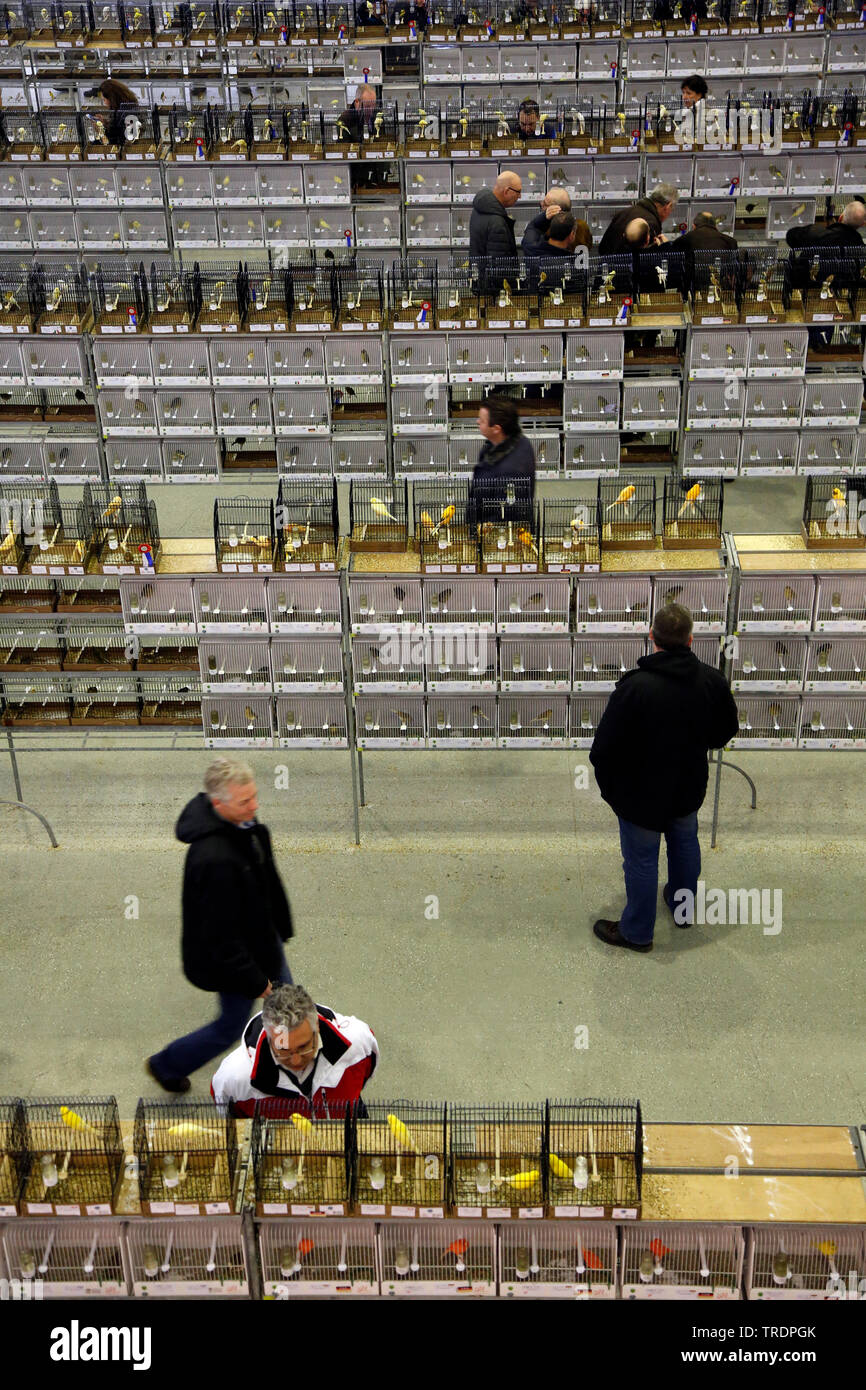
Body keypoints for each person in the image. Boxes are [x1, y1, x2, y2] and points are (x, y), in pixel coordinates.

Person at [589, 603, 739, 952]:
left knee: (642, 860)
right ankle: (683, 908)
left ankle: (637, 932)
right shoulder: (713, 681)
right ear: (690, 639)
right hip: (687, 788)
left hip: (640, 795)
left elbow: (603, 749)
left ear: (652, 637)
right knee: (685, 844)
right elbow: (723, 732)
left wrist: (613, 791)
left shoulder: (635, 687)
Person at [147, 758, 294, 1092]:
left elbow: (266, 879)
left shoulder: (244, 825)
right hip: (237, 961)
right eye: (245, 801)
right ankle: (166, 1064)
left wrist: (279, 927)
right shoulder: (212, 859)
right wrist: (255, 980)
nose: (254, 806)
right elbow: (220, 936)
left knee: (287, 1004)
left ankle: (294, 1060)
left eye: (255, 796)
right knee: (230, 1027)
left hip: (262, 939)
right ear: (218, 803)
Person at [211, 984, 378, 1117]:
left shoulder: (358, 1042)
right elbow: (231, 1115)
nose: (296, 1061)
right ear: (270, 1038)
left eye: (304, 1047)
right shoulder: (234, 1078)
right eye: (284, 1050)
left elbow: (365, 1073)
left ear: (317, 1028)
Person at [467, 396, 536, 526]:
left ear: (496, 429)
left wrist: (480, 530)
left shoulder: (512, 469)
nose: (477, 422)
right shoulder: (509, 441)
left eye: (482, 421)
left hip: (500, 534)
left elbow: (506, 513)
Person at [598, 185, 678, 255]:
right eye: (672, 209)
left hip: (606, 267)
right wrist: (665, 247)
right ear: (668, 206)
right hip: (626, 270)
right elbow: (648, 261)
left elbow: (602, 247)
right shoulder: (650, 223)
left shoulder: (625, 212)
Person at [469, 171, 521, 261]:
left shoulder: (479, 209)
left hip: (478, 271)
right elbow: (499, 264)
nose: (519, 196)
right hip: (492, 274)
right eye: (518, 192)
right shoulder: (497, 222)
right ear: (506, 191)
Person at [785, 200, 866, 253]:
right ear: (862, 225)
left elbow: (790, 237)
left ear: (841, 217)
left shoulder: (815, 233)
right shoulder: (860, 249)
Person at [522, 186, 572, 252]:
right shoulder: (571, 231)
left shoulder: (546, 236)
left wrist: (536, 224)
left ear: (554, 209)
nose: (541, 203)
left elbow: (529, 245)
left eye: (545, 203)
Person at [97, 77, 139, 147]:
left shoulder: (125, 112)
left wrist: (102, 127)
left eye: (104, 100)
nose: (104, 103)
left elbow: (117, 139)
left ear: (111, 98)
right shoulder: (125, 107)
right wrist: (105, 123)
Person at [672, 210, 738, 254]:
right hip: (721, 275)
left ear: (694, 226)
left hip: (692, 275)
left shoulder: (683, 240)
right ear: (715, 225)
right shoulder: (731, 242)